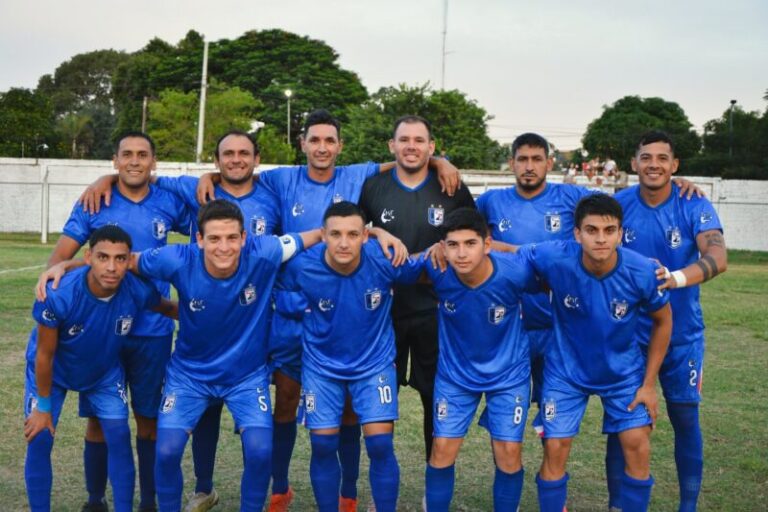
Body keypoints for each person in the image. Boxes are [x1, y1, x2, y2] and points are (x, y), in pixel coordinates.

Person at [197, 110, 458, 512]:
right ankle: (280, 487)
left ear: (339, 145)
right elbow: (237, 173)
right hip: (293, 304)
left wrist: (438, 160)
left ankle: (348, 495)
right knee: (286, 398)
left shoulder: (357, 176)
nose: (321, 147)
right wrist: (209, 177)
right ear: (302, 143)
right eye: (313, 140)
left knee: (354, 410)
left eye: (329, 141)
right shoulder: (281, 178)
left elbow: (403, 158)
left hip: (346, 303)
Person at [77, 130, 279, 512]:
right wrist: (108, 180)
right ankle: (192, 490)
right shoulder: (182, 230)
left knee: (263, 443)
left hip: (248, 349)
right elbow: (126, 255)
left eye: (244, 153)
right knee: (151, 440)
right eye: (227, 154)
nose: (236, 159)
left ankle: (267, 492)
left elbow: (314, 236)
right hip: (187, 361)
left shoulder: (273, 193)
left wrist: (374, 233)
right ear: (198, 238)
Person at [41, 132, 191, 512]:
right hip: (101, 332)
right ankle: (96, 500)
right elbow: (60, 258)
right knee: (100, 422)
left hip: (152, 330)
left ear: (154, 163)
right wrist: (53, 277)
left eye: (143, 155)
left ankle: (149, 502)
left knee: (148, 419)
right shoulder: (96, 201)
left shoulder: (169, 200)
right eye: (127, 155)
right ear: (115, 160)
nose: (135, 161)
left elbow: (211, 226)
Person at [526, 194, 672, 512]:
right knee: (555, 446)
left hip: (623, 373)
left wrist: (648, 385)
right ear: (577, 234)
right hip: (566, 371)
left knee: (637, 444)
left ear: (621, 233)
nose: (601, 238)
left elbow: (663, 321)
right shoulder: (554, 257)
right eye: (591, 230)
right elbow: (511, 255)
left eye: (609, 230)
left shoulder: (642, 270)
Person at [358, 115, 476, 496]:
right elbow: (356, 233)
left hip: (436, 311)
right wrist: (375, 231)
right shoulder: (374, 185)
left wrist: (449, 245)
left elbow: (473, 233)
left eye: (419, 140)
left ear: (431, 146)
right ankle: (384, 490)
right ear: (392, 146)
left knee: (435, 400)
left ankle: (432, 491)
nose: (411, 145)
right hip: (383, 313)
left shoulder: (451, 185)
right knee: (381, 406)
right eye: (404, 139)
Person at [611, 131, 727, 512]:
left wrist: (673, 278)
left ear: (675, 166)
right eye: (646, 157)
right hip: (629, 336)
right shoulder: (618, 204)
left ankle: (687, 507)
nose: (654, 164)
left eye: (663, 158)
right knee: (624, 425)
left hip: (681, 335)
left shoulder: (693, 202)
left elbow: (718, 255)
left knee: (685, 420)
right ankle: (618, 504)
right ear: (634, 163)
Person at [281, 201, 423, 512]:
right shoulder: (302, 265)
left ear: (365, 236)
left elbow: (423, 268)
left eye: (352, 234)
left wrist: (438, 250)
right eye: (335, 234)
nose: (343, 243)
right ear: (322, 235)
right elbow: (276, 289)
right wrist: (293, 305)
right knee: (322, 445)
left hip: (374, 365)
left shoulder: (383, 257)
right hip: (321, 367)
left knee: (380, 444)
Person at [25, 225, 176, 512]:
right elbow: (44, 355)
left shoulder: (136, 289)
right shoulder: (59, 293)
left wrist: (213, 313)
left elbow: (169, 308)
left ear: (128, 260)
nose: (111, 267)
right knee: (40, 435)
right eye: (103, 257)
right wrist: (43, 407)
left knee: (118, 435)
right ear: (88, 257)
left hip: (102, 371)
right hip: (53, 372)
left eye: (120, 259)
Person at [476, 133, 593, 439]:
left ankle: (549, 481)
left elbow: (622, 207)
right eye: (522, 159)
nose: (529, 166)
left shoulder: (571, 198)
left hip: (558, 323)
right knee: (504, 418)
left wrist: (677, 186)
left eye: (537, 159)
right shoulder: (491, 201)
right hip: (509, 324)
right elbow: (464, 235)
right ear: (511, 163)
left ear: (549, 163)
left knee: (553, 420)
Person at [423, 208, 540, 511]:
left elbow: (562, 274)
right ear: (443, 246)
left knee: (509, 453)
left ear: (487, 244)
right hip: (455, 376)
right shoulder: (436, 267)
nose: (461, 253)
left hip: (508, 376)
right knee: (442, 449)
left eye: (470, 243)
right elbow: (391, 267)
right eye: (453, 244)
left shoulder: (516, 271)